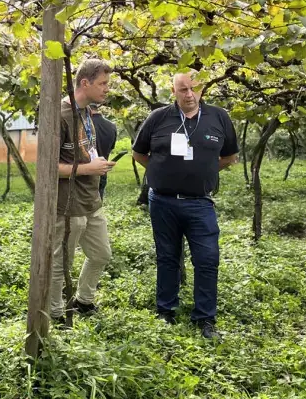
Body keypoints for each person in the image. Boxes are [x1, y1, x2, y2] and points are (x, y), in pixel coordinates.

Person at [132, 71, 238, 340]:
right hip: (163, 202)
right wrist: (161, 172)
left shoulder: (218, 117)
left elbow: (229, 156)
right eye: (183, 90)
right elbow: (138, 153)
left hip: (200, 203)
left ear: (202, 89)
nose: (189, 94)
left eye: (194, 89)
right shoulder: (158, 117)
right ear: (173, 90)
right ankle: (165, 311)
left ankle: (205, 318)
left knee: (207, 259)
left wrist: (203, 172)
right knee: (167, 257)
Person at [50, 59, 116, 325]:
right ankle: (54, 313)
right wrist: (89, 168)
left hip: (91, 200)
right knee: (60, 263)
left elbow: (84, 151)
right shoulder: (61, 114)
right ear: (84, 83)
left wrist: (96, 165)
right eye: (102, 84)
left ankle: (83, 300)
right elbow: (49, 168)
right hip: (68, 204)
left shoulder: (87, 111)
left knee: (101, 254)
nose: (107, 89)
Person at [90, 106, 117, 200]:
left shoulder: (83, 125)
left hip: (84, 172)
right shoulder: (111, 126)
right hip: (102, 171)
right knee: (98, 204)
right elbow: (111, 147)